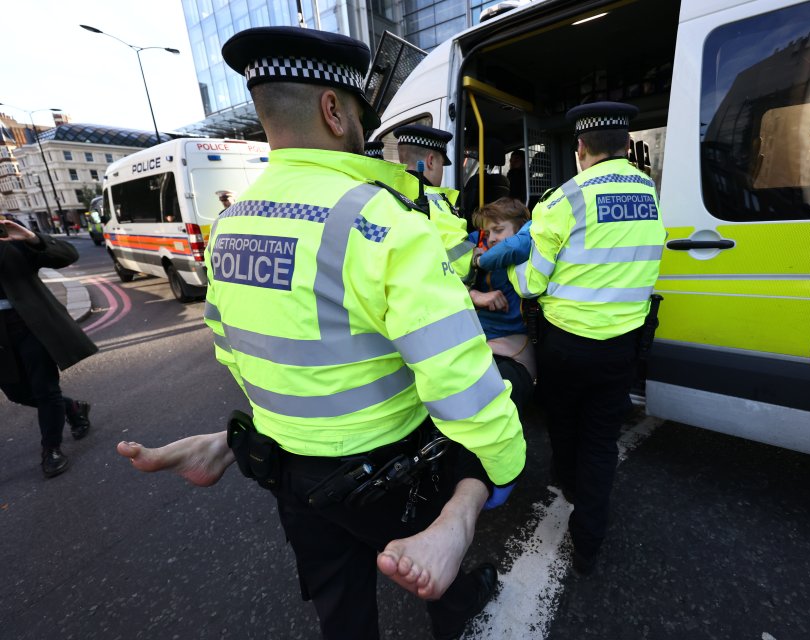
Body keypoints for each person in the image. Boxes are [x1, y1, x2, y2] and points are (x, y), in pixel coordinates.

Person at [116, 26, 525, 640]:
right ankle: (457, 583)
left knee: (340, 605)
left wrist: (254, 435)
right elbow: (459, 376)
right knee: (431, 561)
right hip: (388, 468)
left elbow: (235, 349)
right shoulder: (381, 220)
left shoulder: (229, 224)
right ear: (334, 110)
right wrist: (498, 470)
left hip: (288, 467)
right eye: (360, 109)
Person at [507, 101, 666, 575]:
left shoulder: (562, 200)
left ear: (580, 148)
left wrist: (511, 266)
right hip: (623, 346)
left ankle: (566, 482)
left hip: (567, 345)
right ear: (625, 144)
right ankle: (589, 546)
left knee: (563, 419)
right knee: (601, 440)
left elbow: (532, 284)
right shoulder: (651, 195)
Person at [0, 219, 95, 478]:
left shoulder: (9, 231)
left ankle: (51, 450)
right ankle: (72, 408)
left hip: (31, 325)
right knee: (17, 392)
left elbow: (67, 255)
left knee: (45, 389)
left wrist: (31, 237)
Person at [467, 198, 535, 413]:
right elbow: (440, 279)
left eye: (498, 230)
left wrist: (478, 260)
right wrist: (473, 294)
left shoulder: (529, 244)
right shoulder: (478, 245)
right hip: (476, 342)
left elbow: (519, 242)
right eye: (487, 234)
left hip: (512, 347)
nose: (492, 239)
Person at [394, 124, 474, 281]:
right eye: (442, 164)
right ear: (430, 161)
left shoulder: (383, 191)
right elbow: (462, 267)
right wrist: (476, 256)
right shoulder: (434, 201)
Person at [460, 138, 511, 228]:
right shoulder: (504, 181)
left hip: (475, 225)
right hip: (498, 223)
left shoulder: (475, 181)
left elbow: (467, 207)